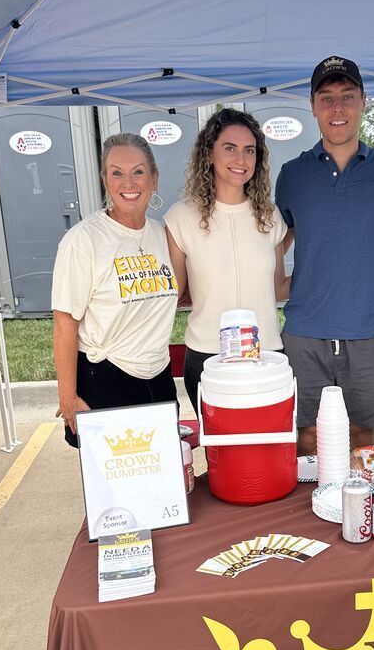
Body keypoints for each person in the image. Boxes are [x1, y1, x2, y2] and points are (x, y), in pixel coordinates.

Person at [275, 56, 374, 454]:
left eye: (347, 96)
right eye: (327, 97)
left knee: (363, 441)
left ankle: (360, 517)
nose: (337, 108)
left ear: (364, 101)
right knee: (306, 440)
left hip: (367, 333)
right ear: (313, 106)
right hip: (304, 333)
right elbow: (274, 243)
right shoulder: (292, 174)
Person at [52, 133, 179, 447]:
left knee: (162, 480)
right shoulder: (84, 240)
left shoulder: (163, 235)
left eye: (138, 171)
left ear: (154, 178)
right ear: (105, 180)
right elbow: (64, 323)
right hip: (107, 378)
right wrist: (68, 398)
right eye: (116, 173)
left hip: (159, 377)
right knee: (115, 489)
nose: (128, 182)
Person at [163, 108, 287, 414]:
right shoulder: (182, 217)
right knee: (220, 455)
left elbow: (279, 289)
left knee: (267, 451)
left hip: (266, 355)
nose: (241, 160)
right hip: (208, 357)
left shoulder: (269, 216)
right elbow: (174, 294)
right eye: (229, 148)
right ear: (209, 153)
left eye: (249, 150)